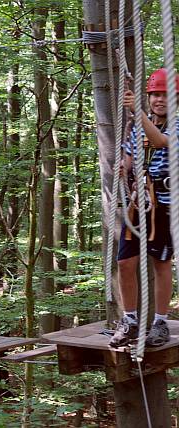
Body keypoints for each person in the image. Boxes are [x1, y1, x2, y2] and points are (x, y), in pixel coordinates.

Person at [110, 68, 179, 348]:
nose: (159, 100)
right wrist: (122, 167)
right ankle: (130, 320)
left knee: (160, 263)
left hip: (165, 204)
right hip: (140, 202)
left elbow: (162, 142)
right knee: (125, 262)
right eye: (155, 95)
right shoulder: (138, 128)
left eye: (165, 95)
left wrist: (137, 111)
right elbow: (129, 157)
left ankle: (160, 321)